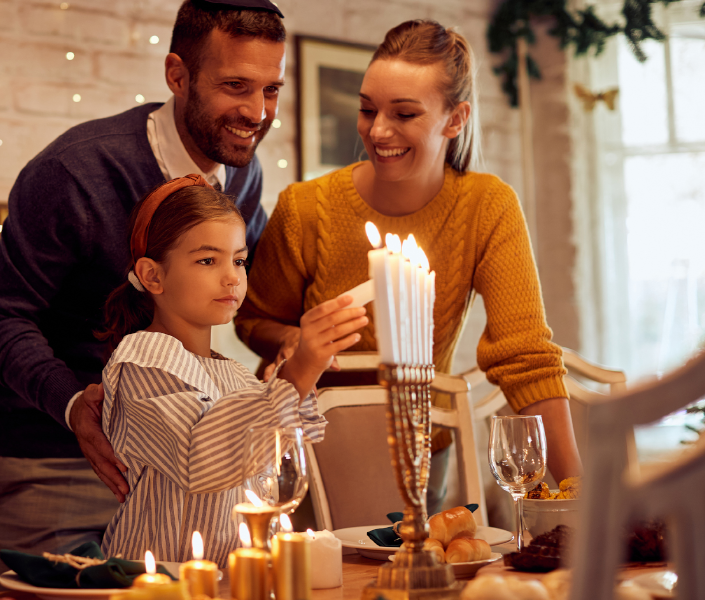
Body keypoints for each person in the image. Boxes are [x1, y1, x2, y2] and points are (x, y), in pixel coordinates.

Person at [0, 0, 286, 588]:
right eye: (236, 86)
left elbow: (247, 292)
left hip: (177, 474)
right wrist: (72, 406)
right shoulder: (74, 172)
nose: (256, 112)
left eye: (271, 89)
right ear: (177, 75)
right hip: (56, 464)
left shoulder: (243, 173)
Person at [234, 20, 583, 515]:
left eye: (404, 113)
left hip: (424, 455)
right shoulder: (306, 208)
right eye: (367, 109)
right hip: (307, 456)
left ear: (455, 118)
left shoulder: (488, 207)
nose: (378, 131)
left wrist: (582, 494)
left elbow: (525, 357)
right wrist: (292, 340)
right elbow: (252, 319)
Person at [97, 174, 365, 565]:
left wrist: (297, 379)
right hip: (161, 582)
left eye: (239, 260)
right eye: (208, 260)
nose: (232, 277)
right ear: (153, 275)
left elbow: (277, 453)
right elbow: (201, 458)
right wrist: (298, 372)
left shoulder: (237, 375)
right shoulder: (140, 360)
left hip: (237, 577)